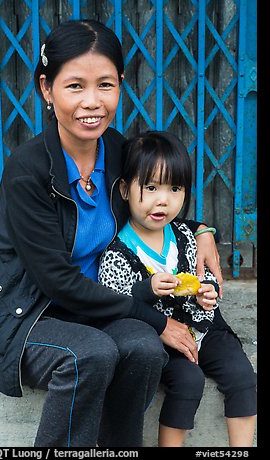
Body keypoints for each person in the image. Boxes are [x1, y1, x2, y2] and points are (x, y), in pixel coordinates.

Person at [0, 19, 223, 448]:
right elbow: (57, 282)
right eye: (74, 86)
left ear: (120, 85)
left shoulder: (121, 152)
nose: (92, 102)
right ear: (47, 89)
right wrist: (158, 319)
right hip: (30, 316)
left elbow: (154, 205)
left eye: (105, 85)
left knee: (142, 350)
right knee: (91, 353)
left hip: (97, 308)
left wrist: (203, 230)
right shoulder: (28, 171)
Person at [98, 130, 257, 447]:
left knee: (243, 377)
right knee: (188, 381)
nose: (163, 200)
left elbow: (205, 275)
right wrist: (147, 289)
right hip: (164, 339)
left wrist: (207, 291)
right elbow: (115, 302)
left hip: (205, 328)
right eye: (151, 187)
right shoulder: (117, 252)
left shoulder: (186, 234)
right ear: (125, 190)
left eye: (175, 188)